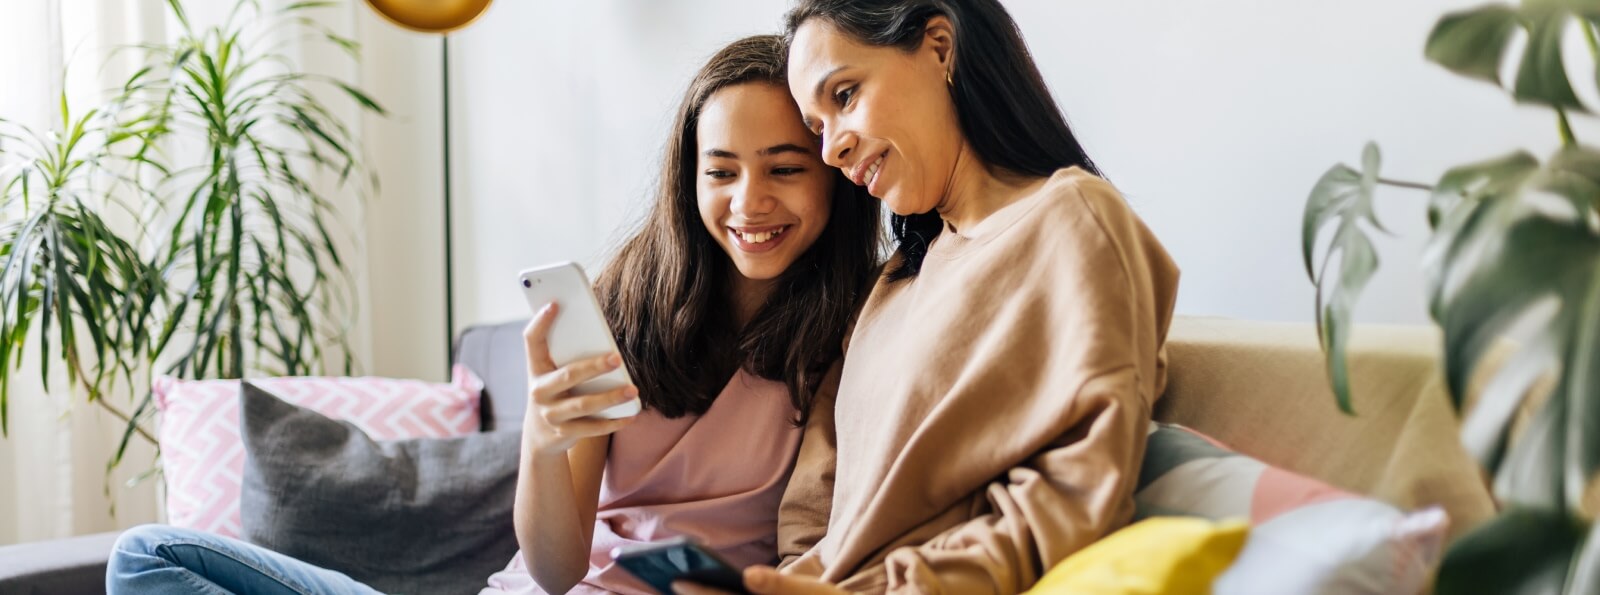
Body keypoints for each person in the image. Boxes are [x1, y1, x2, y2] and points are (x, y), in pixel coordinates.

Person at [106, 34, 882, 595]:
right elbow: (553, 567)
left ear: (835, 176)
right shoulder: (621, 303)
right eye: (721, 172)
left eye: (785, 169)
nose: (750, 203)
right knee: (147, 553)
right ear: (690, 181)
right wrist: (546, 438)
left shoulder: (857, 334)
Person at [676, 1, 1180, 594]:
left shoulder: (1071, 221)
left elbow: (1069, 500)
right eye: (817, 129)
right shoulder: (891, 284)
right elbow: (815, 506)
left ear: (940, 47)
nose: (831, 149)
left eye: (843, 96)